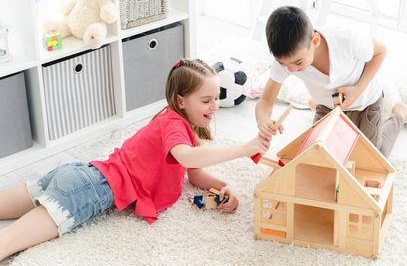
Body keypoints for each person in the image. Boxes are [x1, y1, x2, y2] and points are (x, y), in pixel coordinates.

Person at [0, 59, 269, 261]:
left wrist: (225, 185)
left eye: (217, 98)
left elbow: (195, 174)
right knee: (7, 243)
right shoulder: (173, 126)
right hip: (92, 190)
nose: (215, 106)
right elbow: (186, 156)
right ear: (181, 101)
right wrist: (243, 149)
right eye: (206, 100)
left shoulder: (177, 126)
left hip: (84, 175)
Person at [256, 6, 407, 158]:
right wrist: (263, 121)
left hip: (366, 101)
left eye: (298, 63)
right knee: (321, 156)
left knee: (373, 158)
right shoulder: (286, 61)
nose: (290, 70)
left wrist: (358, 89)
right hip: (329, 106)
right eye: (283, 64)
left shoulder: (348, 39)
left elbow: (381, 51)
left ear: (315, 41)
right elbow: (265, 101)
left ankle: (400, 114)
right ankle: (317, 104)